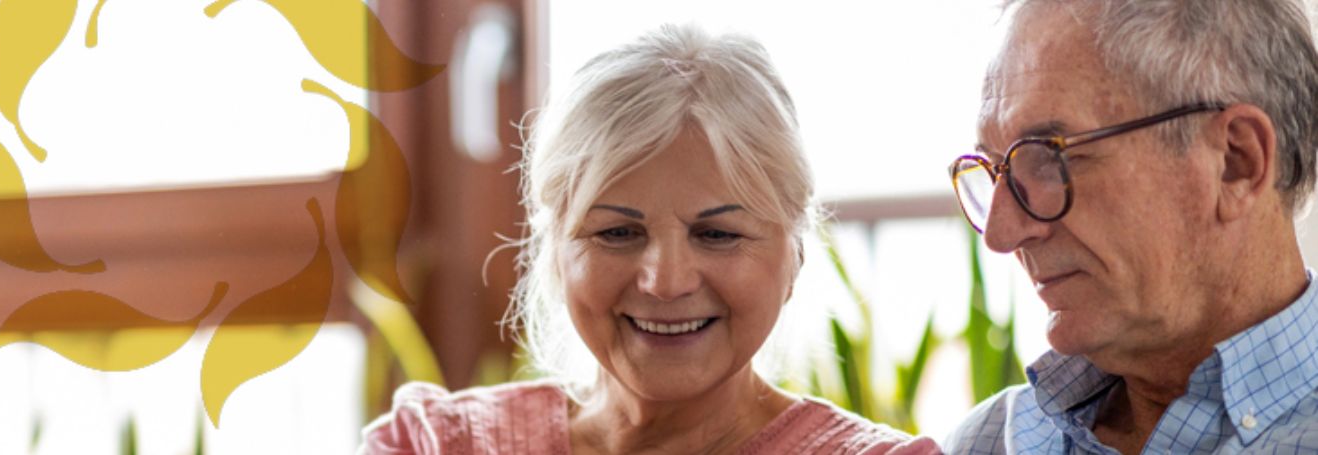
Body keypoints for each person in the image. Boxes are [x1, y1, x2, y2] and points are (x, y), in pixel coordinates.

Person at [358, 24, 940, 454]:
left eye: (717, 233)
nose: (665, 282)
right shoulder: (434, 442)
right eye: (617, 233)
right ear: (555, 254)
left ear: (796, 256)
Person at [944, 0, 1318, 453]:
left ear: (1235, 162)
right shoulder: (983, 442)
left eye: (1046, 159)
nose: (1001, 235)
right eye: (993, 169)